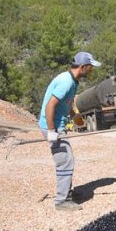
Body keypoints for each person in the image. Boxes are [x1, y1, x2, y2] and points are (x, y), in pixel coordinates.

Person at [38, 51, 102, 211]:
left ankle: (68, 192)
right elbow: (50, 106)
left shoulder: (73, 81)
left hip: (57, 124)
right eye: (90, 67)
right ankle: (62, 201)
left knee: (67, 158)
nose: (91, 70)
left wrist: (74, 116)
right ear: (82, 67)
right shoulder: (66, 82)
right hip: (52, 126)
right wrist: (52, 131)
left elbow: (65, 103)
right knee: (65, 161)